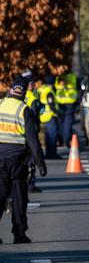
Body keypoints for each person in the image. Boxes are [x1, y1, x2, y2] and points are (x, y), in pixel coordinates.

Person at [0, 78, 47, 244]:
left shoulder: (0, 104)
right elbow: (32, 141)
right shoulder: (23, 109)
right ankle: (19, 234)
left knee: (0, 194)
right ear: (25, 92)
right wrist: (41, 165)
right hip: (17, 160)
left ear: (11, 89)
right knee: (19, 198)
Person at [22, 71, 43, 193]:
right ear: (29, 84)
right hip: (31, 131)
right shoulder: (32, 97)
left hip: (19, 131)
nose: (35, 84)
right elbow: (35, 116)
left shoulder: (18, 95)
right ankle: (31, 184)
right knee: (31, 159)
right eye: (33, 82)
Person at [55, 72, 78, 147]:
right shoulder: (57, 76)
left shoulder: (71, 76)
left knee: (66, 124)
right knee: (61, 124)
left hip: (69, 104)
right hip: (60, 104)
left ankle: (66, 140)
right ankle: (63, 140)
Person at [39, 75, 59, 159]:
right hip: (50, 116)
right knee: (52, 136)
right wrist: (56, 112)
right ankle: (52, 154)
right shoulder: (49, 91)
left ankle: (47, 153)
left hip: (42, 116)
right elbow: (51, 104)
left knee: (46, 136)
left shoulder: (41, 89)